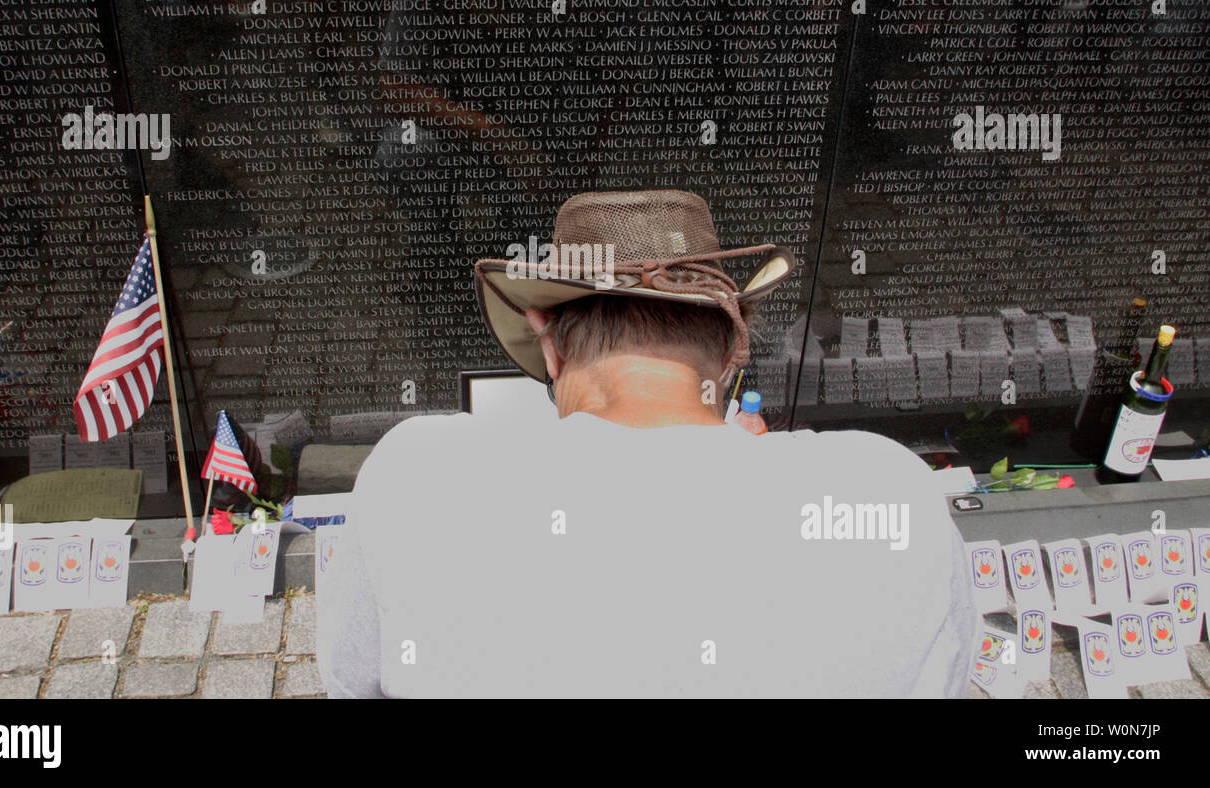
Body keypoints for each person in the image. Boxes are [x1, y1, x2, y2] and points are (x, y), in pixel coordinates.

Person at [318, 190, 979, 697]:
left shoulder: (413, 481)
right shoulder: (891, 497)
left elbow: (354, 682)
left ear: (546, 340)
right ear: (737, 339)